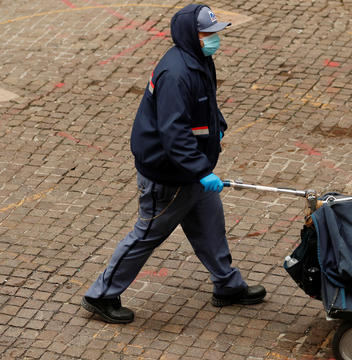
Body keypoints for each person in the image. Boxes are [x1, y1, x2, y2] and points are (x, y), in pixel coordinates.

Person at [81, 4, 266, 324]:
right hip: (170, 176)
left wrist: (216, 123)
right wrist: (201, 171)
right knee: (148, 233)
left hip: (192, 170)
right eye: (209, 33)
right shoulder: (177, 74)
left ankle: (227, 284)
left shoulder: (199, 61)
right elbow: (174, 133)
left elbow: (204, 104)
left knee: (210, 224)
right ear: (192, 36)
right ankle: (101, 294)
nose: (215, 38)